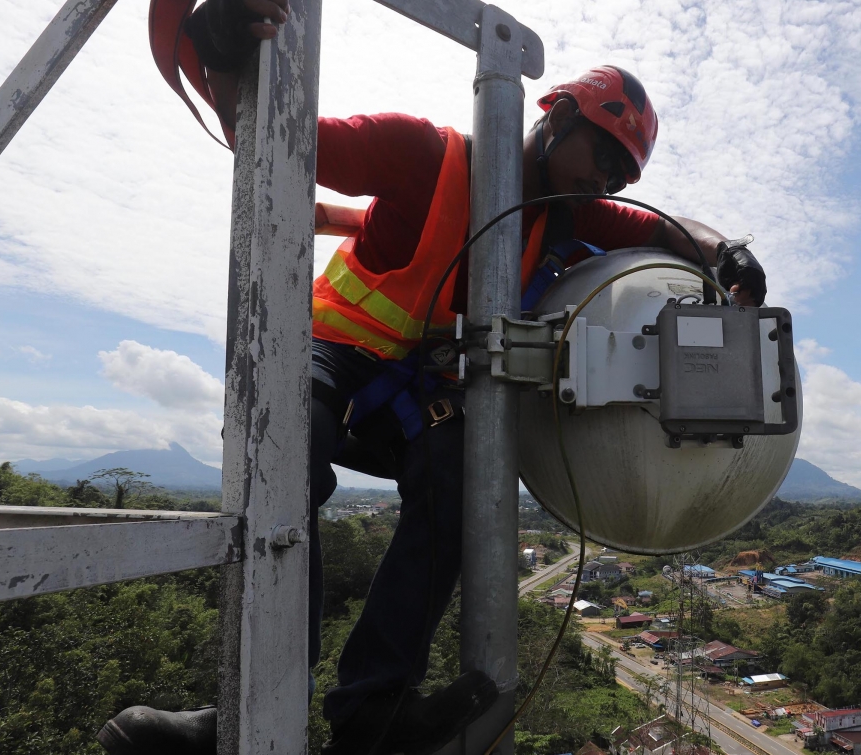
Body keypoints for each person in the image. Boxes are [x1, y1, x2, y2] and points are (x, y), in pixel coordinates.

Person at [99, 1, 769, 753]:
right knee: (290, 449)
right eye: (600, 154)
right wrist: (223, 47)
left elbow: (670, 231)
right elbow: (277, 135)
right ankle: (253, 703)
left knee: (461, 484)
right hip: (333, 352)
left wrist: (727, 253)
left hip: (410, 396)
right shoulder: (423, 153)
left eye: (620, 170)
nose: (604, 178)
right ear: (555, 116)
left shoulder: (568, 214)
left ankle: (371, 711)